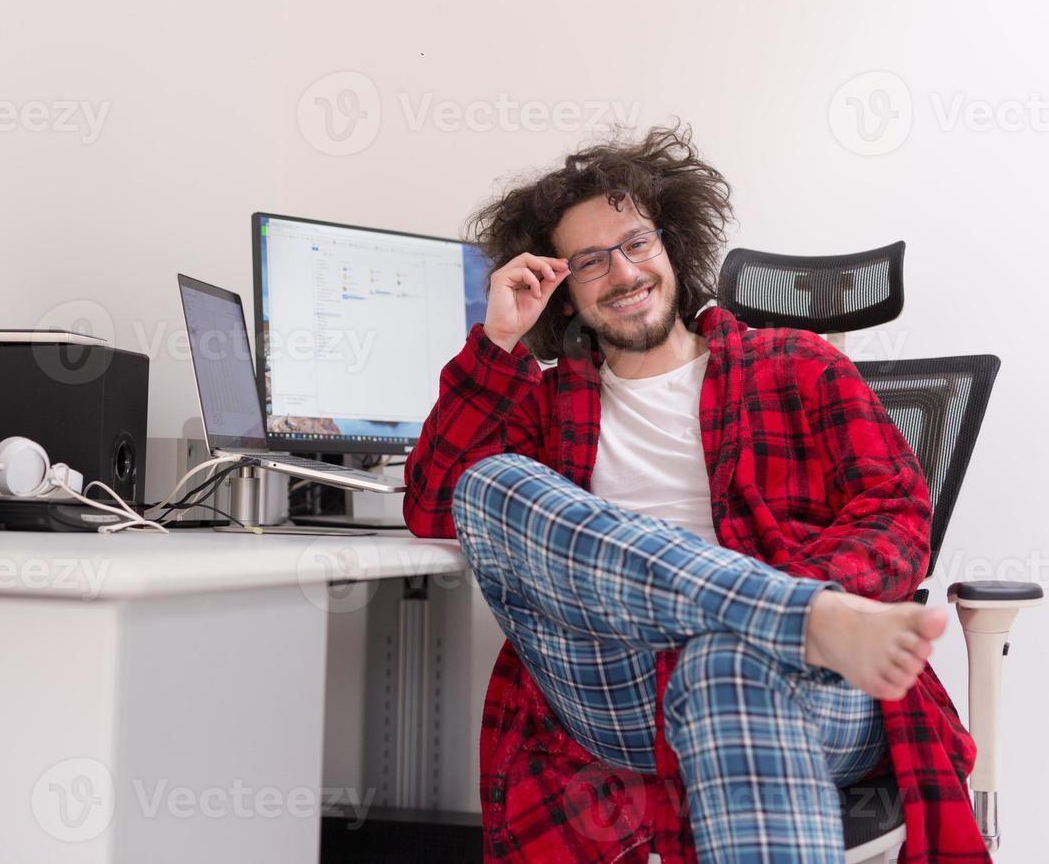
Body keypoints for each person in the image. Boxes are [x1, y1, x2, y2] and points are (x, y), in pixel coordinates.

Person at [404, 126, 986, 863]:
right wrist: (496, 342)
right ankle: (795, 617)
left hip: (813, 682)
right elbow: (431, 505)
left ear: (673, 244)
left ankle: (790, 621)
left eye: (636, 242)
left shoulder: (796, 364)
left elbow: (897, 518)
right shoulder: (546, 404)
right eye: (588, 261)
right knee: (486, 483)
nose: (621, 273)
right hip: (614, 681)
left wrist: (795, 604)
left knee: (725, 664)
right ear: (562, 288)